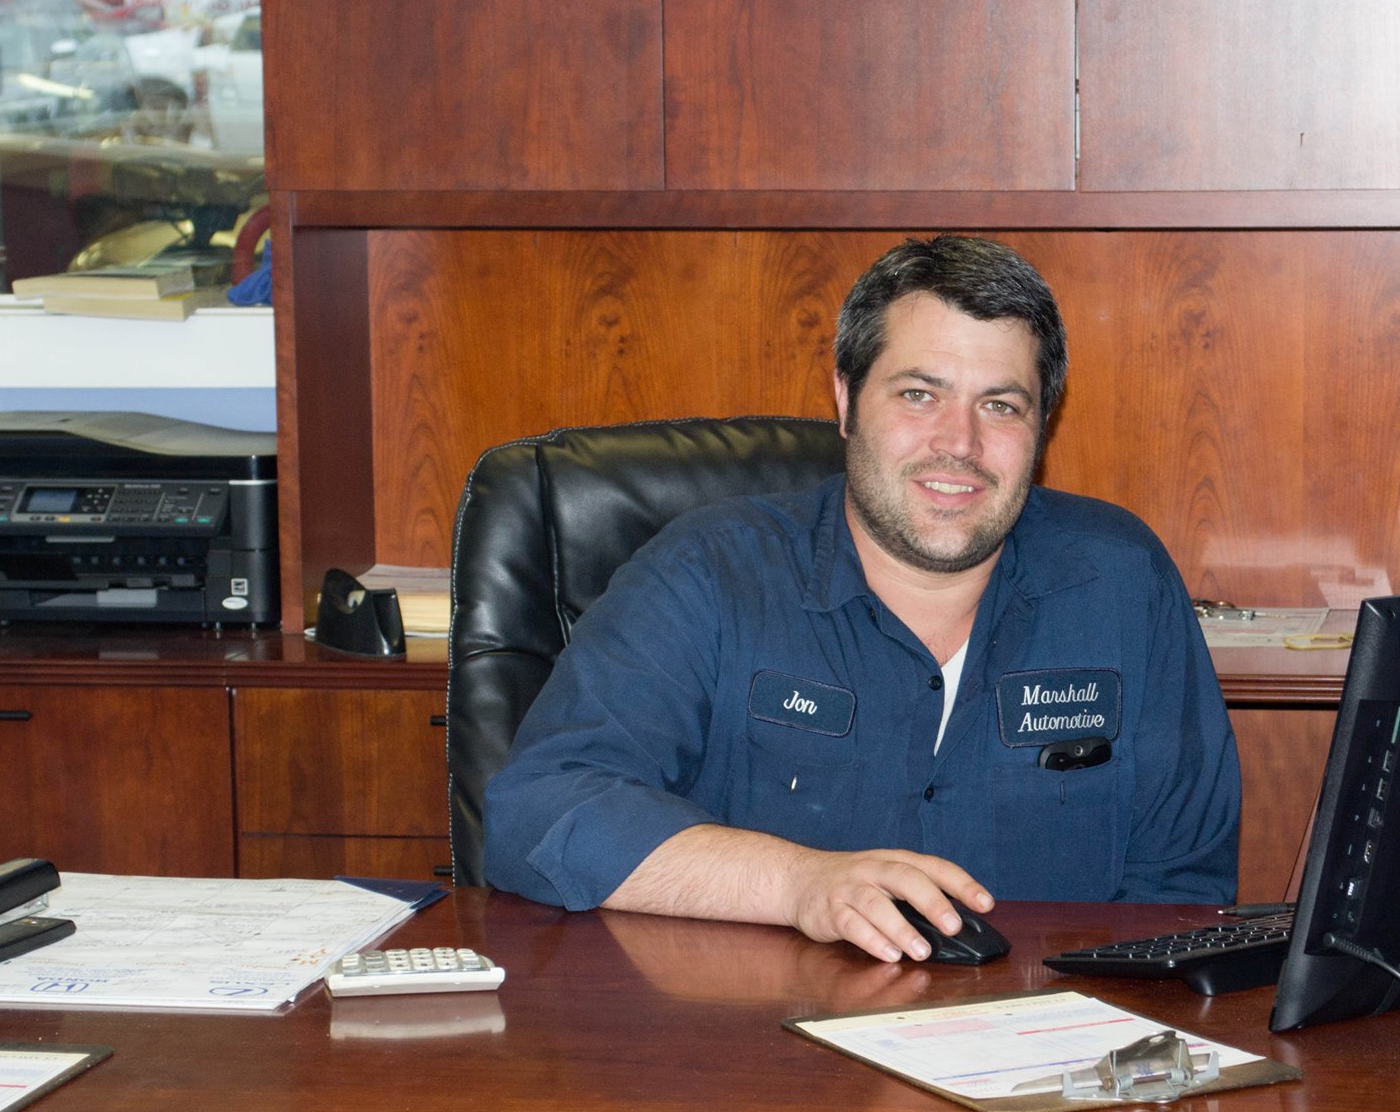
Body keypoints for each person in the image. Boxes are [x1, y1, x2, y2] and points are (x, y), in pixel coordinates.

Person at [485, 235, 1240, 961]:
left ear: (1043, 423)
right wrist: (798, 883)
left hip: (1045, 1036)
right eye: (919, 394)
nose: (960, 443)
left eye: (1001, 406)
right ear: (846, 400)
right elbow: (539, 811)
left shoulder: (1122, 583)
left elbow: (1182, 892)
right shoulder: (710, 574)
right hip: (760, 1038)